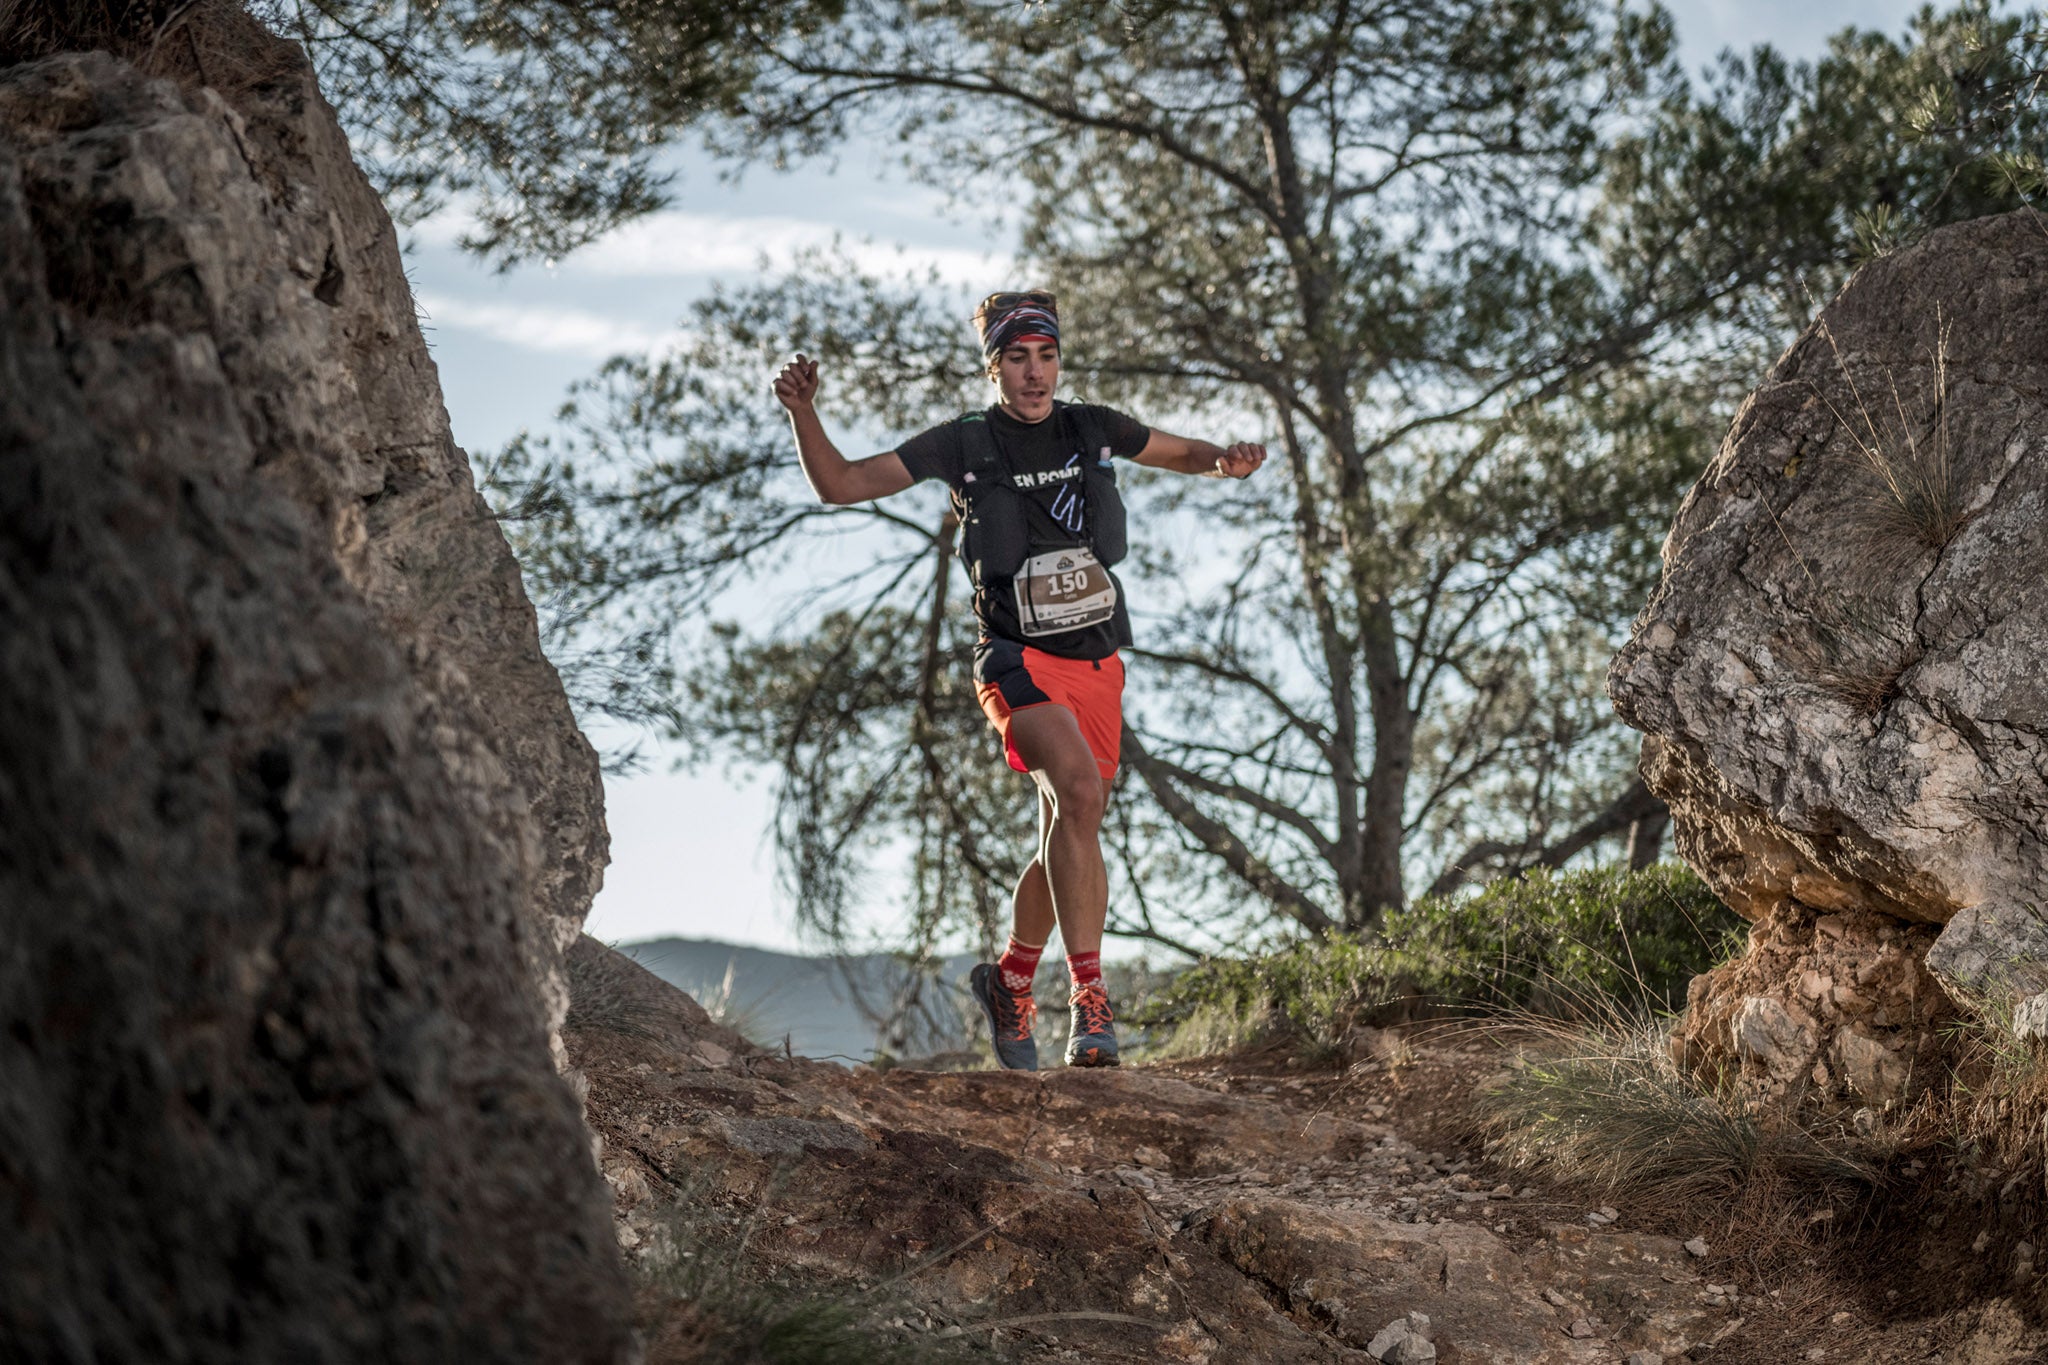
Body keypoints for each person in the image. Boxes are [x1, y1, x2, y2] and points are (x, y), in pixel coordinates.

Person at [772, 289, 1265, 1070]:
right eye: (1016, 357)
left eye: (1046, 356)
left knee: (1069, 828)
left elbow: (1179, 452)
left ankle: (1010, 980)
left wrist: (1224, 462)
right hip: (1015, 660)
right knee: (1078, 789)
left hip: (1098, 662)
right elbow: (841, 483)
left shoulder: (1092, 427)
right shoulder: (962, 442)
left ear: (1059, 360)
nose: (1034, 374)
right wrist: (804, 412)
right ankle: (1091, 1005)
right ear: (993, 365)